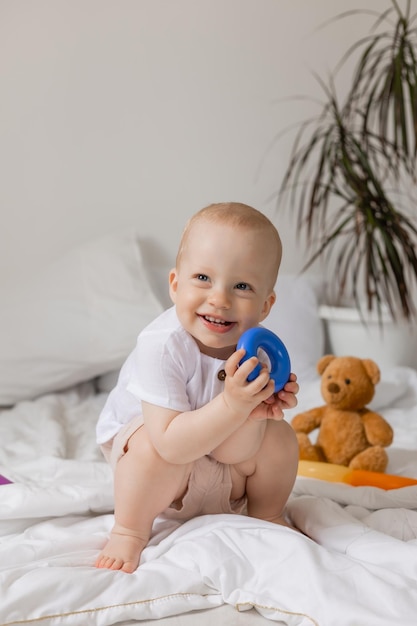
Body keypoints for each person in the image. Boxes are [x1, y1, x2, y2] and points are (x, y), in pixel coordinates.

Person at [95, 202, 299, 573]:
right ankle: (128, 530)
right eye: (203, 278)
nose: (219, 299)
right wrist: (234, 407)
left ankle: (267, 516)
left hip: (214, 459)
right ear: (175, 285)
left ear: (265, 305)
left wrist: (252, 414)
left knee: (280, 436)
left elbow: (231, 452)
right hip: (159, 454)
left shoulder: (258, 353)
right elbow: (171, 444)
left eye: (241, 286)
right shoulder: (161, 344)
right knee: (148, 451)